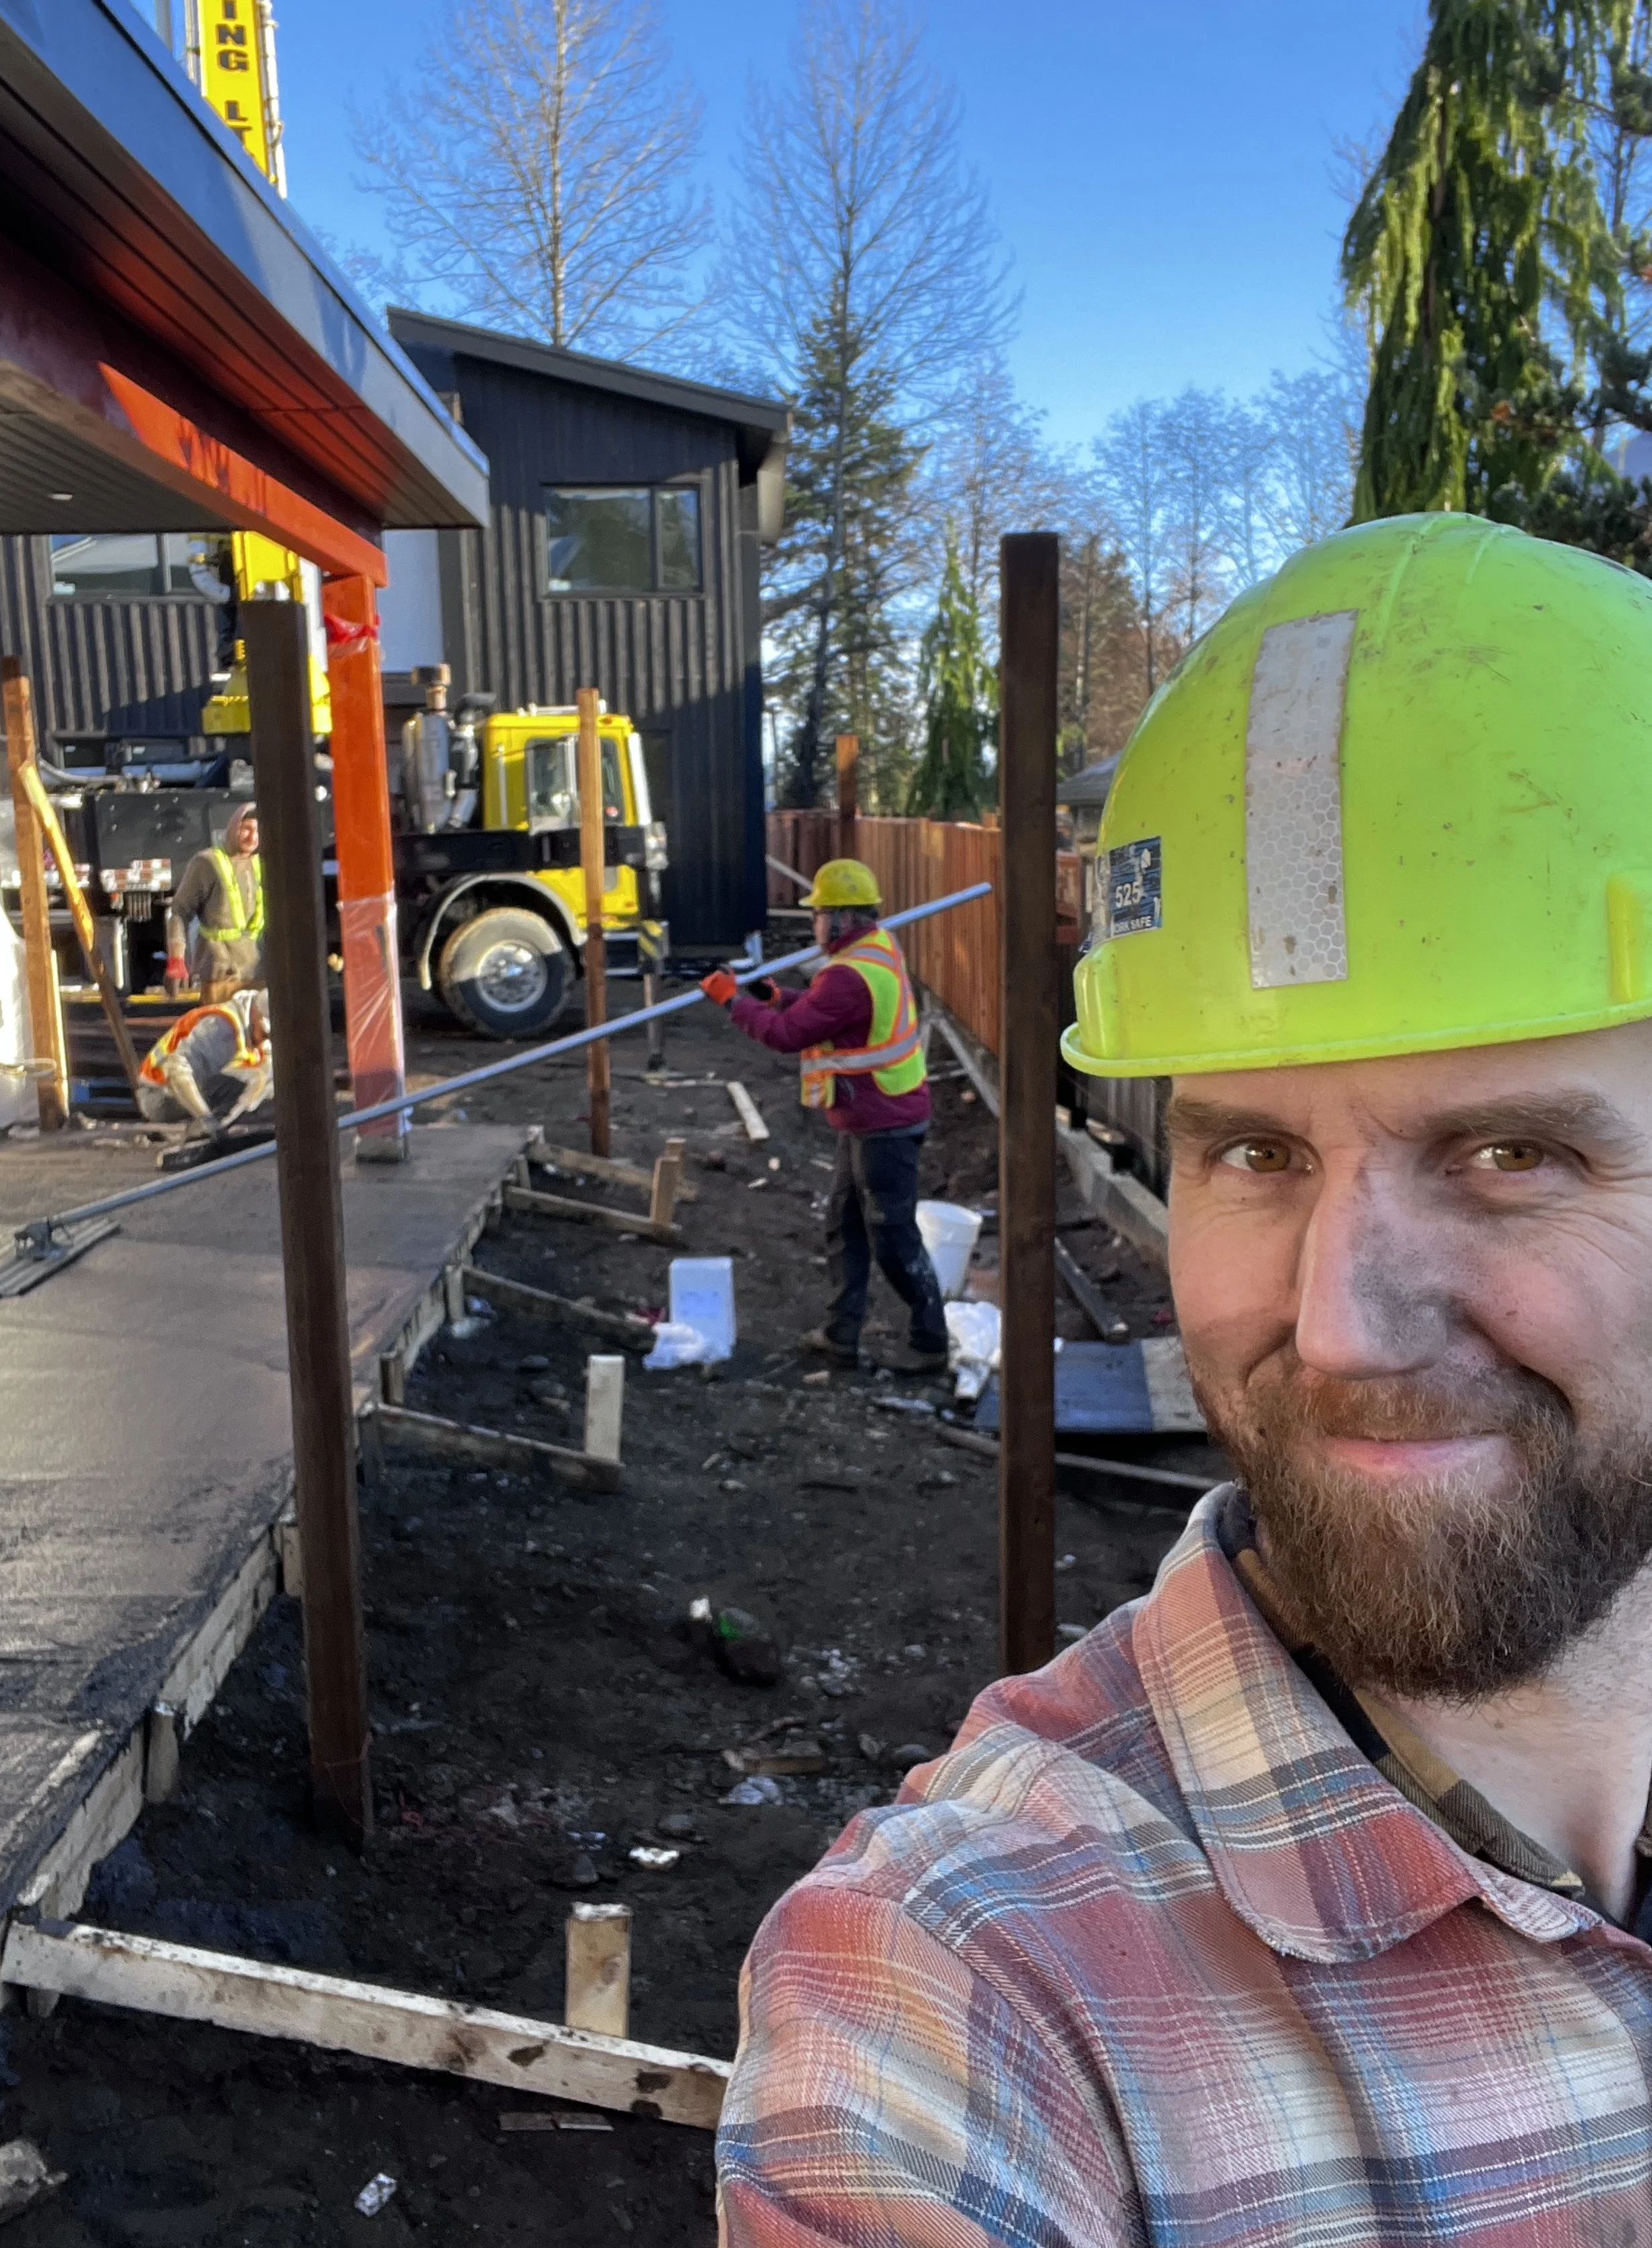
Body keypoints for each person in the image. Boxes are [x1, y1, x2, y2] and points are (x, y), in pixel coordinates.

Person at [718, 515, 1652, 2243]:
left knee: (889, 1259)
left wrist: (744, 1006)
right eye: (1251, 1157)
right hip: (868, 1142)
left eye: (1510, 1152)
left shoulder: (851, 963)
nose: (1345, 1326)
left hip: (875, 1135)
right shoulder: (965, 1992)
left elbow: (810, 1035)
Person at [700, 859, 949, 1372]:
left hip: (886, 1121)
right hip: (871, 1114)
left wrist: (732, 1002)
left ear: (840, 919)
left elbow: (787, 1035)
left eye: (817, 913)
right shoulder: (875, 950)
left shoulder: (847, 975)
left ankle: (930, 1341)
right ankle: (842, 1334)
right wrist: (775, 996)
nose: (812, 923)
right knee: (844, 1226)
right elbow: (824, 1013)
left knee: (894, 1237)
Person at [137, 987, 272, 1133]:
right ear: (254, 1013)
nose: (265, 1042)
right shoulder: (221, 1026)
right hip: (160, 1096)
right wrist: (206, 1119)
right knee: (255, 1078)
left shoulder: (250, 1029)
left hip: (191, 1089)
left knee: (270, 1075)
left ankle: (226, 1127)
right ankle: (211, 1132)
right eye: (265, 1034)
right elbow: (176, 1068)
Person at [165, 801, 262, 1002]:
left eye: (258, 831)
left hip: (257, 973)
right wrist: (176, 960)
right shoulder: (207, 863)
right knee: (220, 1031)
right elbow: (180, 912)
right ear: (234, 827)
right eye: (247, 829)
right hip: (221, 973)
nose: (252, 837)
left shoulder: (261, 863)